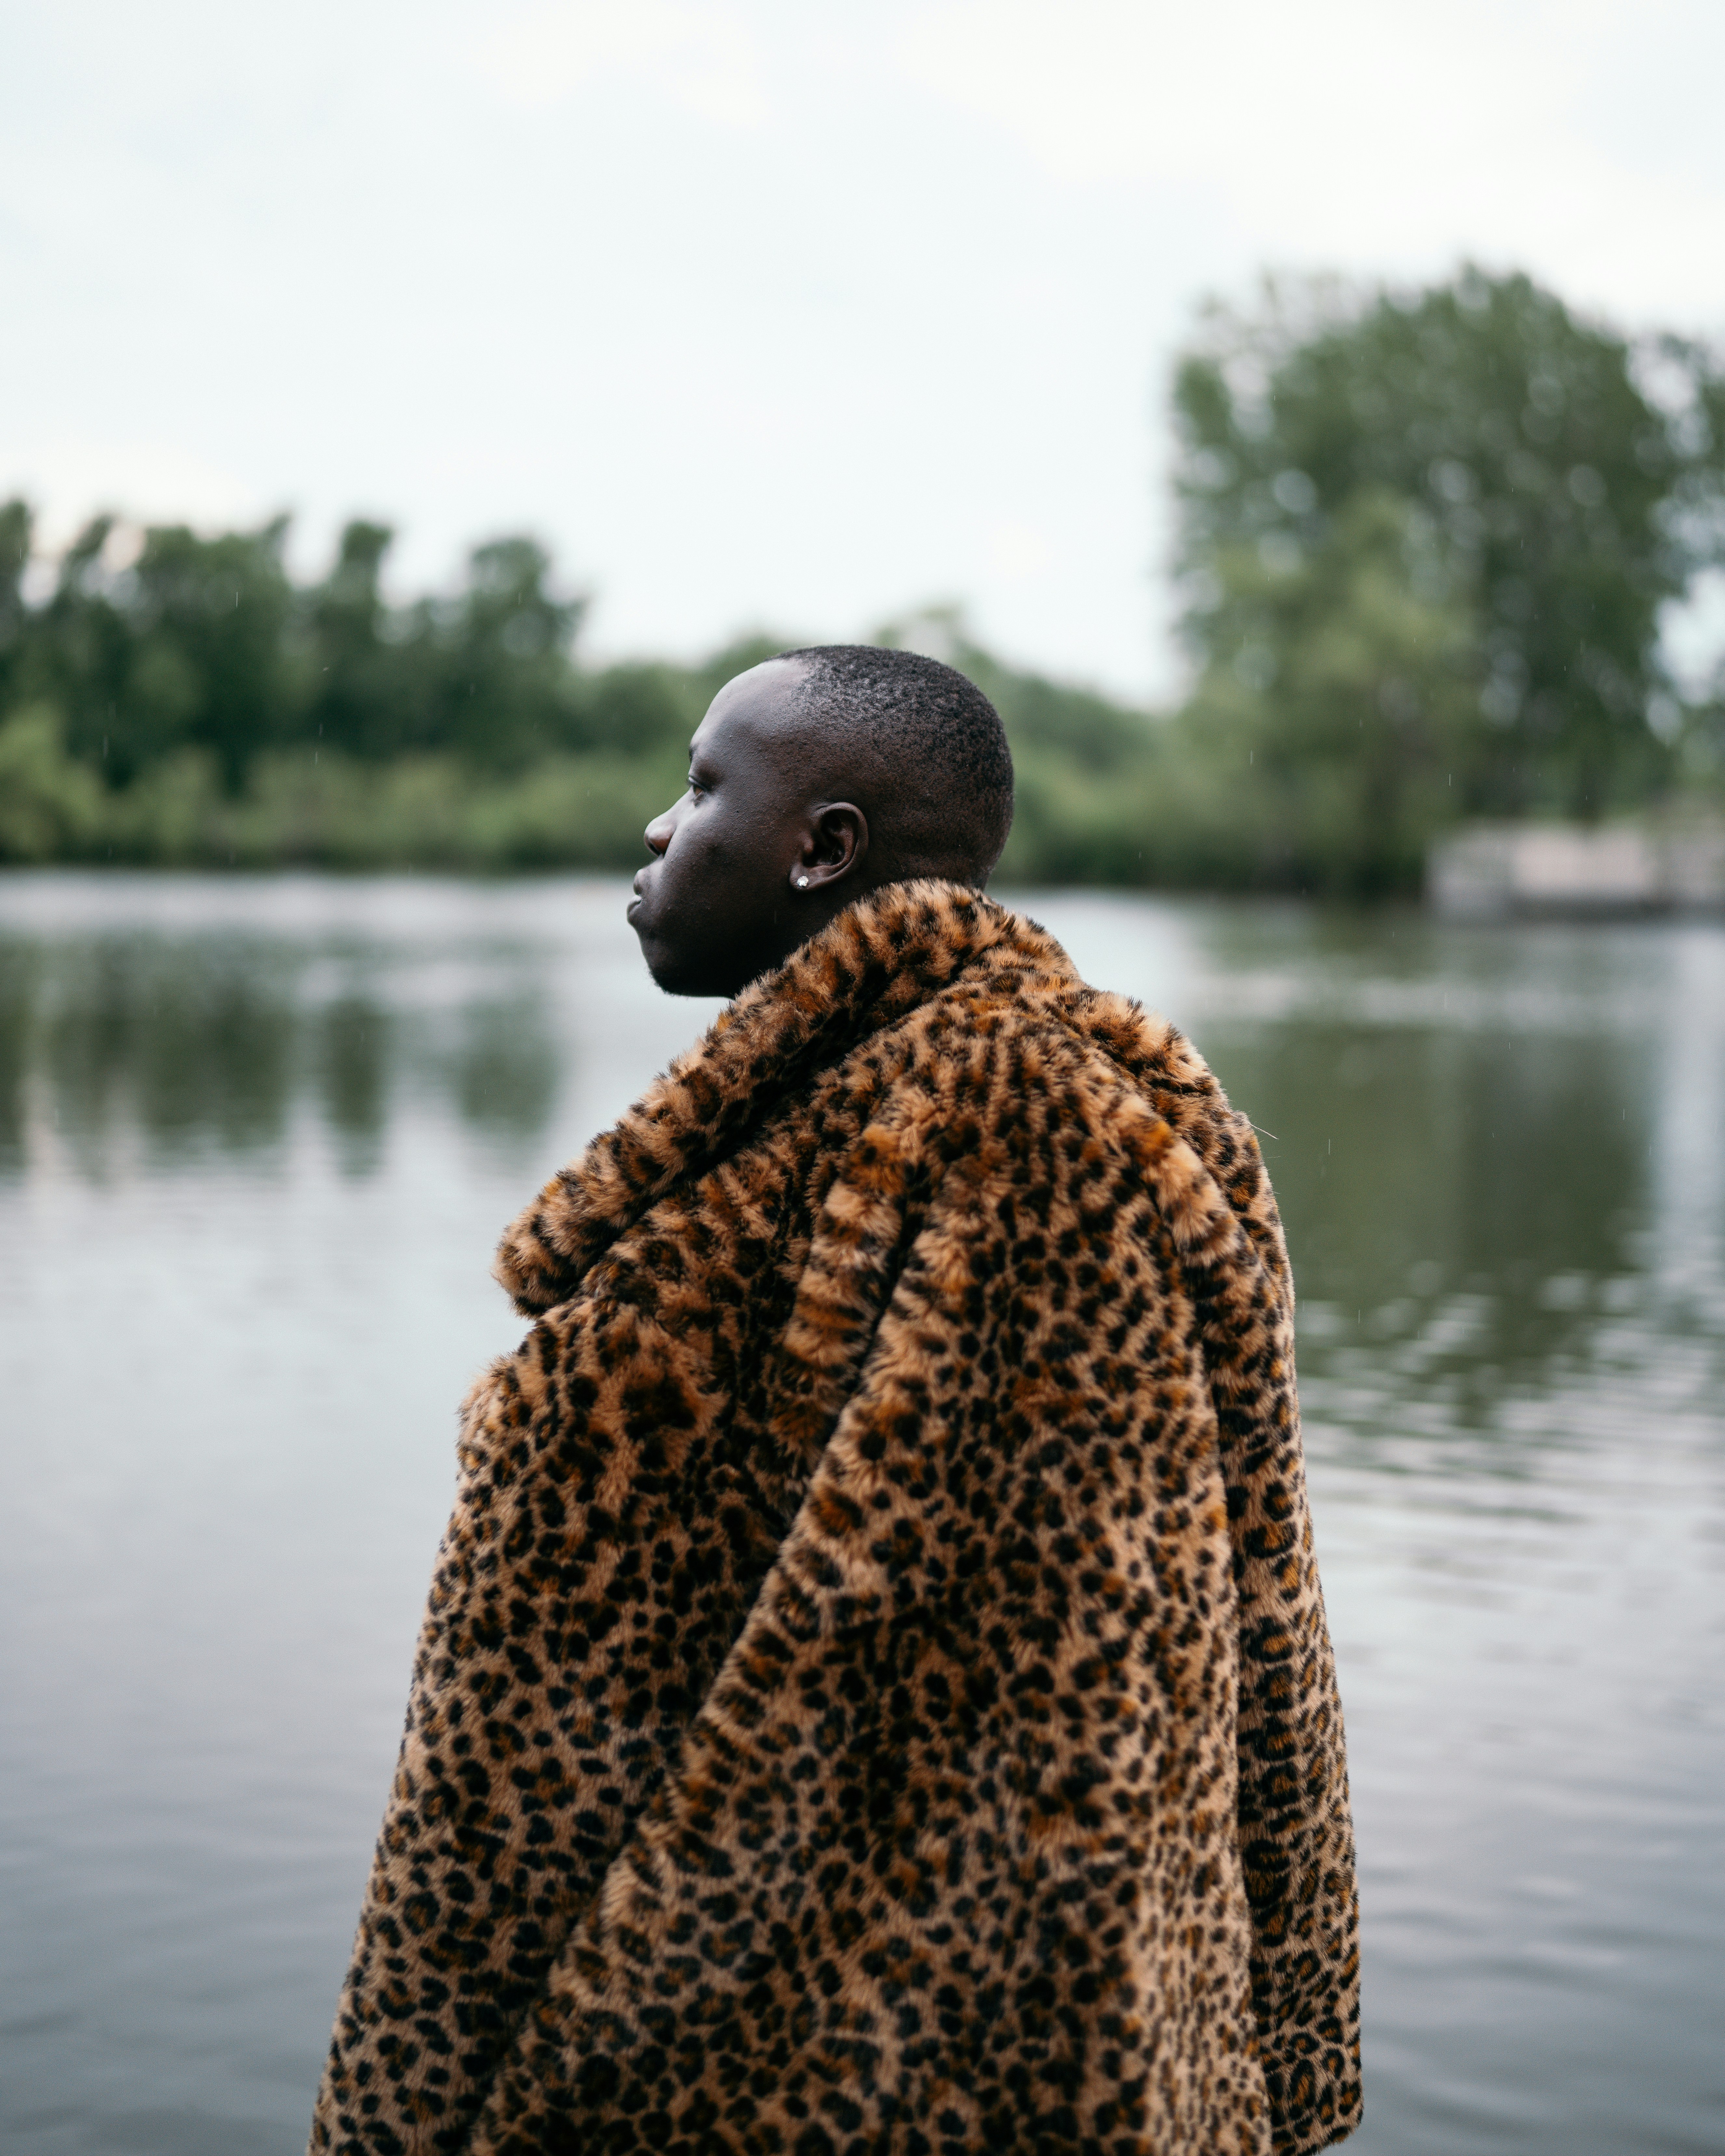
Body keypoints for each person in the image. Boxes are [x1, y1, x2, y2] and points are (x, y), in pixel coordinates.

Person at [309, 646, 1361, 2155]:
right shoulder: (889, 1106)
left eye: (702, 785)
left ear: (824, 849)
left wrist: (527, 2061)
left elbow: (1023, 1715)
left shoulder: (1001, 1132)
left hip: (825, 2065)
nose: (661, 829)